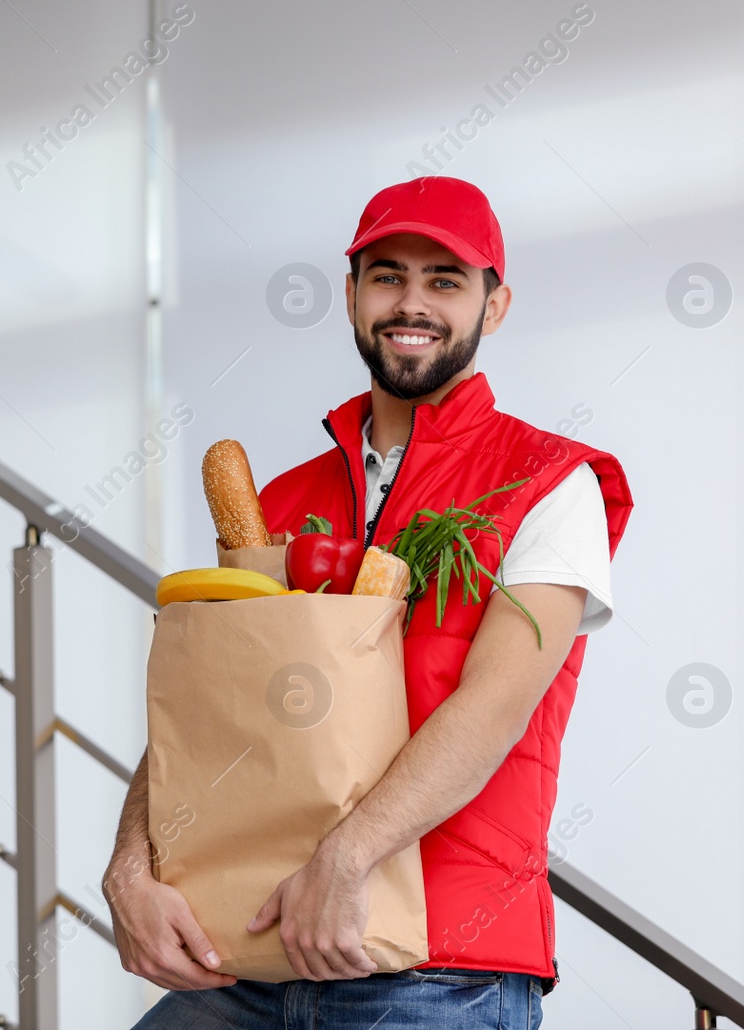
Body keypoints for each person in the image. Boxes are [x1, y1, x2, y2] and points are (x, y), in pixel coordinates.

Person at [103, 175, 634, 1029]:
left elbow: (493, 706)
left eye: (446, 280)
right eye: (387, 275)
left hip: (439, 969)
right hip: (247, 955)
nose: (411, 302)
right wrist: (132, 867)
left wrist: (345, 860)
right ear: (351, 296)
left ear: (494, 306)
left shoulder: (549, 483)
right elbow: (204, 717)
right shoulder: (277, 502)